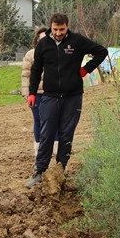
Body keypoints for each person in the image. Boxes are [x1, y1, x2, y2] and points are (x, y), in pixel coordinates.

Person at [26, 13, 108, 188]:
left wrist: (86, 69)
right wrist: (32, 92)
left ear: (67, 26)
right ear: (51, 27)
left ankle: (60, 170)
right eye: (55, 29)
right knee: (46, 134)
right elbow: (35, 69)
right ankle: (39, 171)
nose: (58, 33)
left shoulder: (77, 41)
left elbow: (102, 51)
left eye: (61, 29)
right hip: (49, 96)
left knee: (66, 134)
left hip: (73, 96)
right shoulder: (43, 44)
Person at [21, 27, 59, 160]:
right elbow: (26, 75)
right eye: (41, 38)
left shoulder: (56, 52)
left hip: (53, 92)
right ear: (37, 40)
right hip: (36, 93)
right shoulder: (30, 55)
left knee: (55, 120)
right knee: (38, 120)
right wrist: (26, 92)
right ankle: (38, 148)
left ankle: (55, 147)